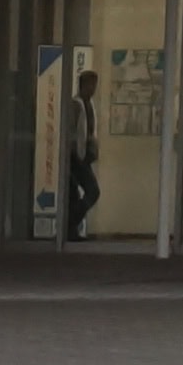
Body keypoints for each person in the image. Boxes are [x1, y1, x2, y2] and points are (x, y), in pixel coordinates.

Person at [62, 65, 104, 241]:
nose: (93, 89)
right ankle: (69, 223)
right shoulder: (76, 105)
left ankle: (70, 230)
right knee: (92, 191)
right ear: (83, 85)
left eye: (95, 85)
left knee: (75, 194)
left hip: (83, 155)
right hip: (75, 156)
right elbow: (72, 132)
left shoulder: (89, 105)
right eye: (90, 85)